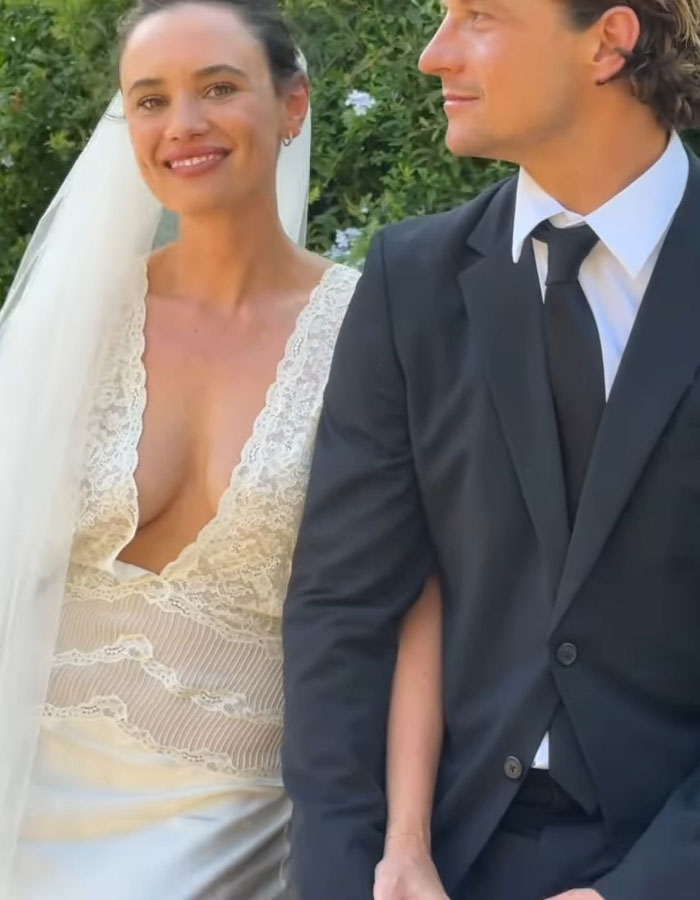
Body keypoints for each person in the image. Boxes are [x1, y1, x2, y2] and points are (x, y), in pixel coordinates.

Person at [282, 1, 700, 899]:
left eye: (479, 15)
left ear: (608, 41)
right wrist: (359, 872)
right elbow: (341, 615)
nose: (434, 55)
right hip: (443, 857)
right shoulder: (411, 283)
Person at [0, 1, 365, 897]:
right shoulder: (83, 316)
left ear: (294, 105)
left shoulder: (374, 326)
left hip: (238, 805)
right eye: (150, 100)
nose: (184, 125)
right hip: (27, 765)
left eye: (218, 88)